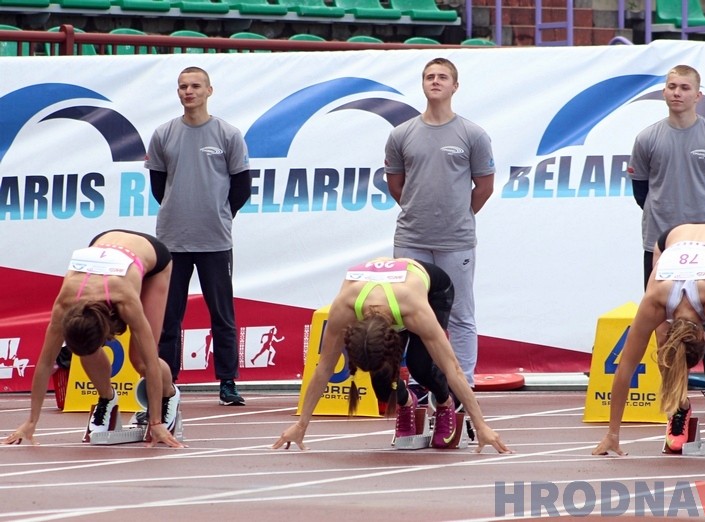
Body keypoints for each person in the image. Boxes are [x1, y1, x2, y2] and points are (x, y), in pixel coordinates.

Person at [271, 257, 510, 453]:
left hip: (432, 288)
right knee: (381, 384)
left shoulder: (414, 311)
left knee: (421, 365)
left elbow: (453, 368)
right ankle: (407, 403)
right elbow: (323, 367)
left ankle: (445, 403)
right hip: (383, 293)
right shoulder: (343, 308)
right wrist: (301, 425)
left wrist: (481, 425)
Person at [592, 223, 705, 458]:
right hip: (671, 239)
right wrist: (611, 435)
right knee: (664, 349)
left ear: (703, 334)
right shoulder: (655, 301)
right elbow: (626, 367)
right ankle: (679, 407)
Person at [627, 64, 705, 410]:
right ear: (664, 92)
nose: (677, 93)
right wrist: (667, 230)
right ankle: (676, 403)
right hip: (659, 246)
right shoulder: (647, 138)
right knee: (665, 325)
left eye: (684, 88)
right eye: (671, 86)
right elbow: (641, 192)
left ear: (698, 95)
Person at [3, 230, 184, 448]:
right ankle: (107, 398)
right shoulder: (65, 304)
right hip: (104, 242)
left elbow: (152, 362)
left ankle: (169, 395)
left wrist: (155, 422)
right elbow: (44, 363)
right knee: (84, 349)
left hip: (153, 258)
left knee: (142, 361)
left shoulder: (125, 299)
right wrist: (31, 421)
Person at [384, 57, 495, 388]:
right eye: (429, 76)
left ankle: (463, 386)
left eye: (442, 77)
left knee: (460, 316)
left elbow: (484, 186)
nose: (435, 81)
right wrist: (420, 211)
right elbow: (395, 184)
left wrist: (458, 215)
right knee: (406, 315)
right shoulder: (401, 134)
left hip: (456, 241)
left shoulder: (472, 134)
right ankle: (416, 385)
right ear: (422, 84)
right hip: (411, 240)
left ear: (454, 86)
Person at [145, 66, 252, 406]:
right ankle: (167, 381)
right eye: (182, 87)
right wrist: (182, 212)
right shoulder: (163, 134)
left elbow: (242, 187)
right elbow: (159, 187)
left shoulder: (228, 134)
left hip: (215, 241)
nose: (188, 91)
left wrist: (218, 214)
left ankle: (227, 382)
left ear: (209, 91)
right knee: (168, 317)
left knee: (222, 314)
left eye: (195, 86)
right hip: (172, 242)